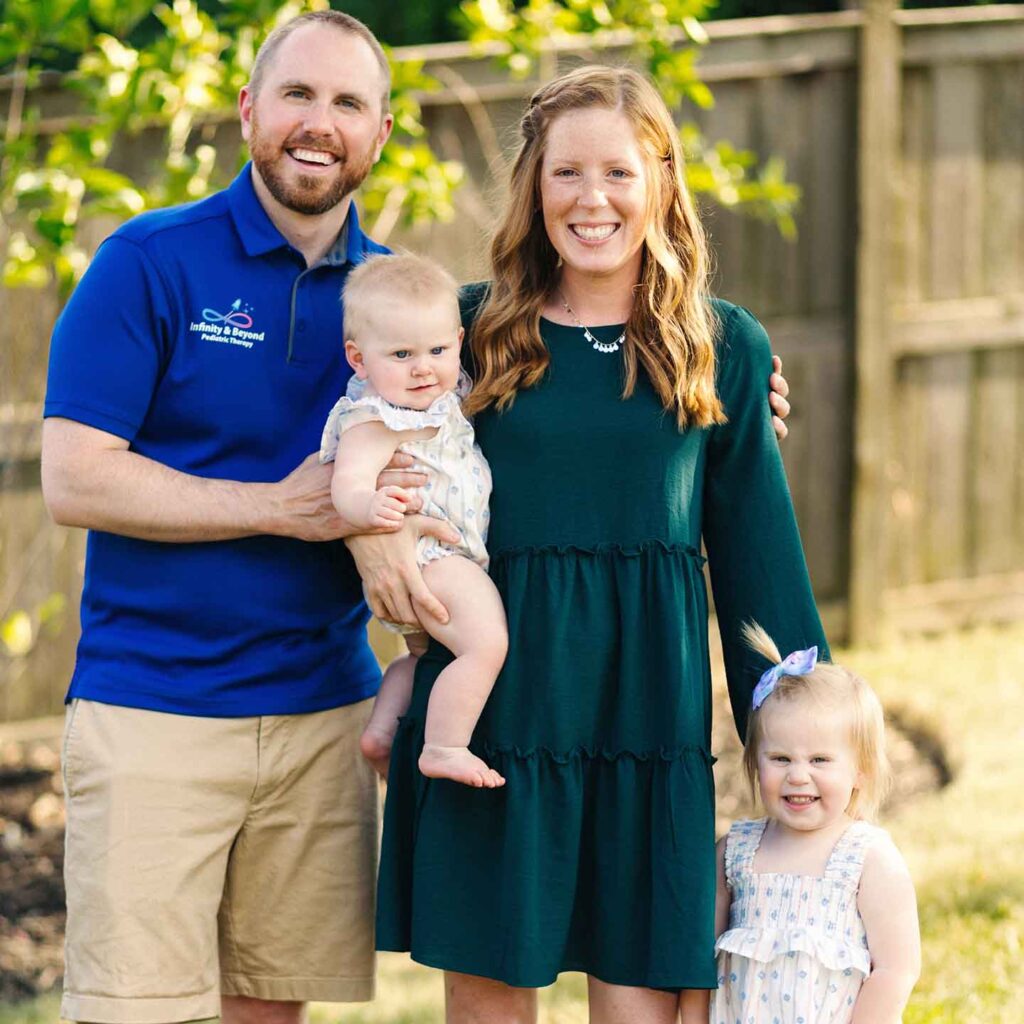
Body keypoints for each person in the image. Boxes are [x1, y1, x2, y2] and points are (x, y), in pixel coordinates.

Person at [356, 66, 820, 1023]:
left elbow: (755, 551)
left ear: (660, 180)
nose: (591, 198)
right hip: (501, 706)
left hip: (645, 711)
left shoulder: (719, 345)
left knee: (645, 1001)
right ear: (534, 186)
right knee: (489, 998)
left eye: (617, 171)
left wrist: (809, 722)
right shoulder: (470, 330)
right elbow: (366, 422)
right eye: (566, 173)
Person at [39, 12, 464, 1024]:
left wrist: (729, 377)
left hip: (323, 716)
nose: (319, 124)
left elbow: (527, 389)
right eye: (297, 95)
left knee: (269, 1011)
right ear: (248, 112)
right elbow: (76, 478)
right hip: (153, 713)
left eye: (348, 103)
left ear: (382, 132)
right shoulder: (148, 262)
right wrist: (279, 509)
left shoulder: (399, 304)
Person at [322, 253, 507, 788]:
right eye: (401, 354)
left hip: (445, 557)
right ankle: (445, 746)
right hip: (431, 557)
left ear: (458, 339)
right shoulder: (375, 417)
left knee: (422, 656)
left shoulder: (441, 397)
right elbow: (348, 485)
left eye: (437, 350)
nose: (423, 367)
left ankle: (382, 732)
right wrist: (368, 509)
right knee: (486, 645)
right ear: (358, 359)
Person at [699, 623, 920, 1024]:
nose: (798, 776)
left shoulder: (865, 856)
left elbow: (897, 969)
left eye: (819, 760)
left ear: (860, 772)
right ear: (754, 762)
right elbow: (700, 960)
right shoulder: (736, 851)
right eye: (780, 758)